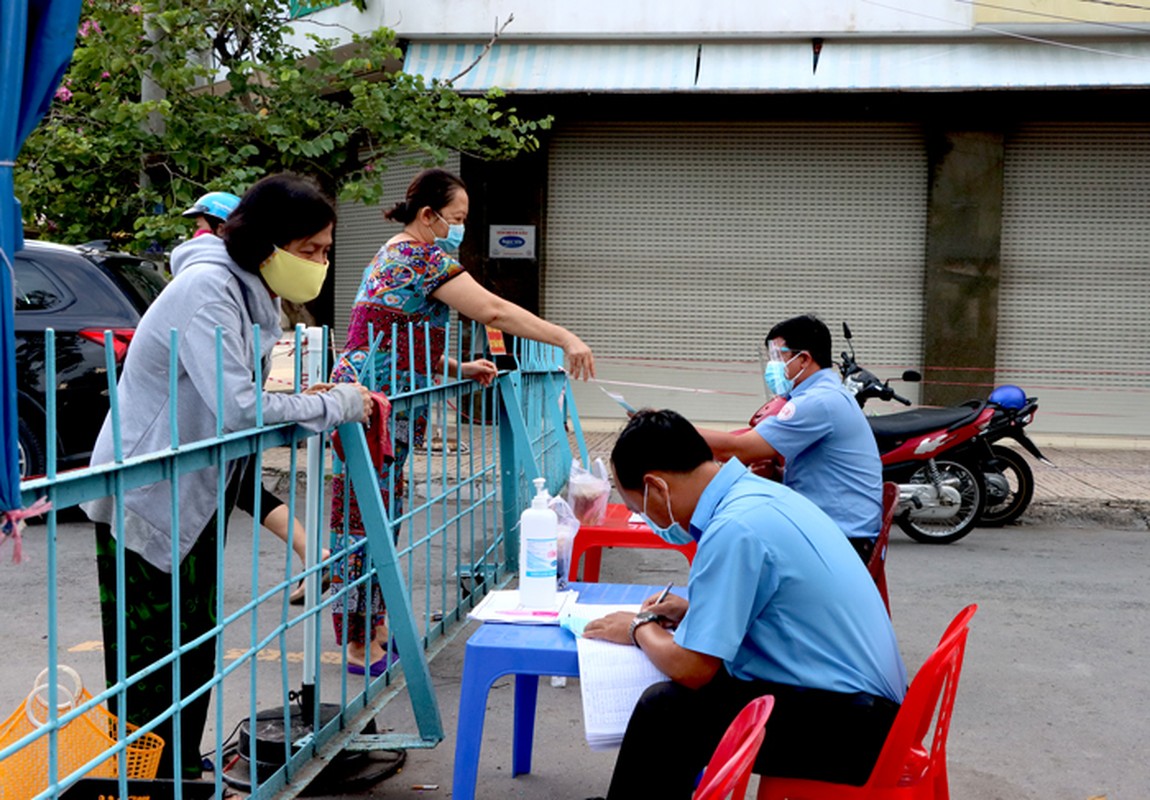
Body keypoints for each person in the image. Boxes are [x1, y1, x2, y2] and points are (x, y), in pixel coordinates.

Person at [82, 173, 372, 780]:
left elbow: (236, 397)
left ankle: (180, 775)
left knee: (190, 653)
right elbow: (237, 407)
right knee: (148, 666)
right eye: (311, 250)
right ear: (268, 242)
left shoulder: (249, 290)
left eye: (325, 250)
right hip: (147, 494)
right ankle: (143, 783)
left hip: (196, 493)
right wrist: (334, 403)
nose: (319, 263)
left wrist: (306, 399)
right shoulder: (208, 288)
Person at [328, 167, 595, 674]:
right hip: (373, 408)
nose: (460, 228)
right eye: (456, 218)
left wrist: (456, 367)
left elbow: (394, 332)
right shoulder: (419, 255)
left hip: (383, 403)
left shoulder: (396, 251)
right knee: (365, 525)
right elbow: (492, 311)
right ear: (428, 215)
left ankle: (376, 628)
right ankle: (361, 644)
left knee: (378, 518)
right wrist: (564, 336)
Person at [583, 410, 906, 799]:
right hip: (868, 709)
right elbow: (776, 605)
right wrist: (691, 612)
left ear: (657, 487)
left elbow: (694, 668)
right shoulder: (756, 496)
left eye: (638, 508)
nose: (645, 519)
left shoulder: (733, 528)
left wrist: (639, 629)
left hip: (854, 729)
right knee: (679, 709)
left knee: (668, 711)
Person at [698, 314, 883, 560]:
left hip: (840, 541)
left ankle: (710, 600)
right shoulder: (825, 394)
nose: (771, 367)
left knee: (733, 542)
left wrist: (669, 428)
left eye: (777, 357)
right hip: (836, 532)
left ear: (804, 359)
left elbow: (739, 450)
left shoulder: (817, 402)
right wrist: (777, 474)